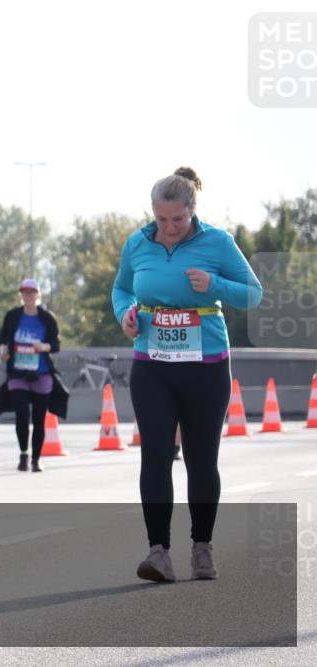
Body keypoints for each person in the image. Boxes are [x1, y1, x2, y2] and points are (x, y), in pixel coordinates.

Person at [112, 166, 261, 583]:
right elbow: (121, 288)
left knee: (201, 459)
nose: (169, 227)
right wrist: (123, 313)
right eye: (161, 219)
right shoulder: (137, 244)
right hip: (152, 364)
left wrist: (214, 284)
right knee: (155, 456)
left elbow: (253, 293)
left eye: (177, 219)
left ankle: (202, 547)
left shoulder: (218, 242)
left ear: (193, 209)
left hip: (205, 365)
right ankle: (158, 552)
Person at [0, 279, 62, 472]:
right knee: (22, 415)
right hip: (18, 372)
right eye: (25, 293)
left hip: (41, 373)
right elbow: (3, 339)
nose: (28, 297)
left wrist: (43, 347)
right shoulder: (12, 316)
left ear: (38, 295)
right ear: (21, 296)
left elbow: (56, 346)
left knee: (39, 418)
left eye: (32, 293)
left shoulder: (47, 318)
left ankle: (36, 459)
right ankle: (23, 454)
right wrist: (3, 352)